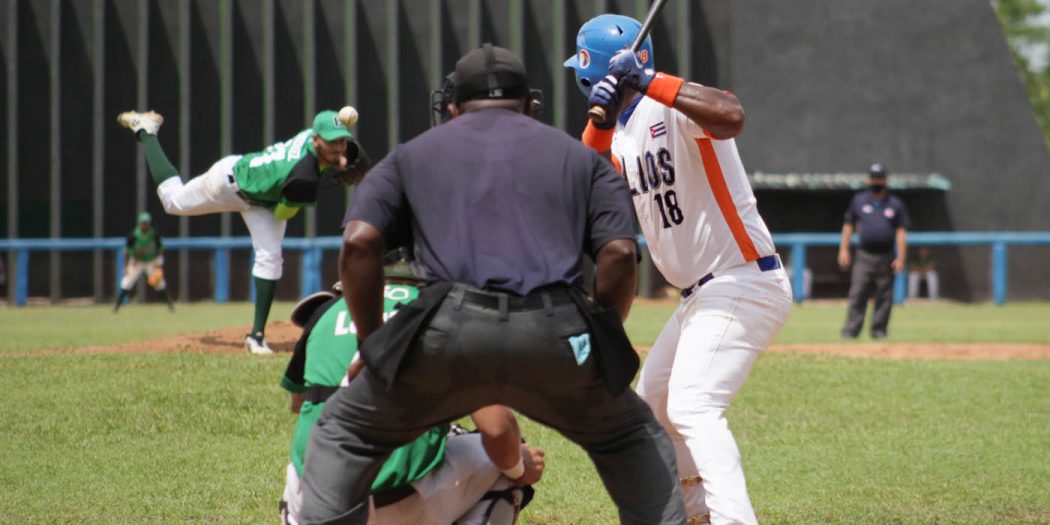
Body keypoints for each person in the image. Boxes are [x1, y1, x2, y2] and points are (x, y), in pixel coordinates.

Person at [299, 44, 686, 525]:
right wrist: (602, 333)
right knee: (630, 437)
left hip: (447, 337)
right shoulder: (580, 158)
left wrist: (375, 344)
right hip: (557, 334)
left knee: (343, 432)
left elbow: (358, 244)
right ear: (529, 106)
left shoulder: (411, 155)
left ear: (454, 108)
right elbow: (620, 252)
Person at [565, 14, 794, 525]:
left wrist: (648, 80)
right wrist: (599, 124)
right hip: (700, 296)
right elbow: (585, 181)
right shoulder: (623, 134)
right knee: (656, 407)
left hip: (741, 278)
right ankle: (697, 514)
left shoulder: (671, 106)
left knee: (692, 405)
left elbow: (731, 115)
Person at [279, 276, 542, 525]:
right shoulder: (448, 314)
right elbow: (497, 429)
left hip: (314, 506)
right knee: (507, 454)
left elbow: (299, 404)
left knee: (307, 460)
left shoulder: (325, 311)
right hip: (396, 508)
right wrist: (520, 467)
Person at [116, 108, 369, 354]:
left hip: (262, 194)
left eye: (342, 141)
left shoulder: (309, 138)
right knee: (173, 202)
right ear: (316, 139)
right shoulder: (303, 177)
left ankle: (256, 337)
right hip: (230, 184)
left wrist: (344, 157)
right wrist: (331, 179)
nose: (338, 148)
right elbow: (283, 213)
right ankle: (146, 130)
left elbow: (338, 154)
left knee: (271, 258)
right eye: (331, 143)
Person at [837, 163, 910, 339]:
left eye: (880, 177)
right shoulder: (859, 200)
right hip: (864, 254)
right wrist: (843, 249)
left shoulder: (895, 203)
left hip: (886, 255)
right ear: (869, 179)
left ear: (885, 179)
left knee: (885, 295)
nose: (877, 180)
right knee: (858, 292)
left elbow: (901, 232)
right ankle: (851, 330)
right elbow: (848, 226)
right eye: (874, 177)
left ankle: (879, 331)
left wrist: (901, 257)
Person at [113, 211, 175, 312]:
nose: (144, 225)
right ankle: (116, 307)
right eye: (142, 223)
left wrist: (158, 264)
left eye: (146, 223)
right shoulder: (133, 235)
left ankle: (170, 306)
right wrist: (126, 266)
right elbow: (126, 251)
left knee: (160, 283)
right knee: (127, 283)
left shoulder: (155, 234)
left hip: (151, 261)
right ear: (139, 223)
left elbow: (161, 249)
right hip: (137, 261)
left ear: (149, 224)